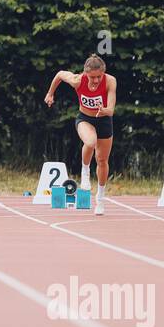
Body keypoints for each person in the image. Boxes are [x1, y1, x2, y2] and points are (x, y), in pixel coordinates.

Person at [45, 54, 117, 215]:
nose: (96, 80)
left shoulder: (110, 81)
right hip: (85, 119)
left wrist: (106, 110)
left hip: (104, 120)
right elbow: (59, 75)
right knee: (90, 142)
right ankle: (85, 172)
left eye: (99, 76)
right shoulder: (77, 80)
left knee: (102, 160)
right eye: (93, 77)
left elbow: (111, 109)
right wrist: (50, 93)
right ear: (86, 74)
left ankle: (100, 198)